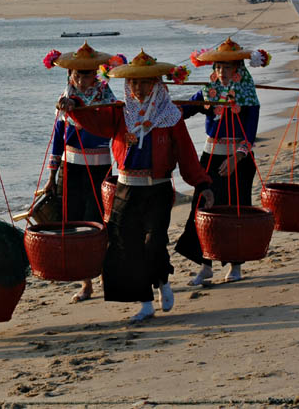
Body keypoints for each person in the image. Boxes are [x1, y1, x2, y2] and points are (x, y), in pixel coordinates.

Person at [61, 50, 214, 322]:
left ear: (157, 84)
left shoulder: (171, 117)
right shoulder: (120, 113)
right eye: (134, 83)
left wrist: (202, 182)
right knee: (125, 245)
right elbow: (97, 122)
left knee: (154, 242)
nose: (139, 88)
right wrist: (74, 107)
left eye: (145, 82)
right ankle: (144, 302)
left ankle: (162, 282)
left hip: (158, 188)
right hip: (126, 188)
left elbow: (187, 154)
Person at [175, 38, 270, 285]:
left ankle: (235, 265)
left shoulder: (248, 96)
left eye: (227, 68)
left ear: (238, 69)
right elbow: (185, 110)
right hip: (210, 157)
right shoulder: (209, 91)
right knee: (203, 207)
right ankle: (205, 265)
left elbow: (249, 133)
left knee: (235, 210)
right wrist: (161, 103)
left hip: (238, 160)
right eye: (218, 67)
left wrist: (236, 158)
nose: (221, 72)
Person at [42, 42, 120, 302]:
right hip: (70, 167)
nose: (82, 78)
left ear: (95, 73)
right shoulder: (64, 99)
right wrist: (51, 176)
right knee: (73, 221)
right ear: (70, 75)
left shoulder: (105, 96)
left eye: (87, 73)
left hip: (99, 167)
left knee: (97, 221)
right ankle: (86, 282)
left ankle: (105, 274)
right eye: (77, 73)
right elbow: (57, 139)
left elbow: (110, 129)